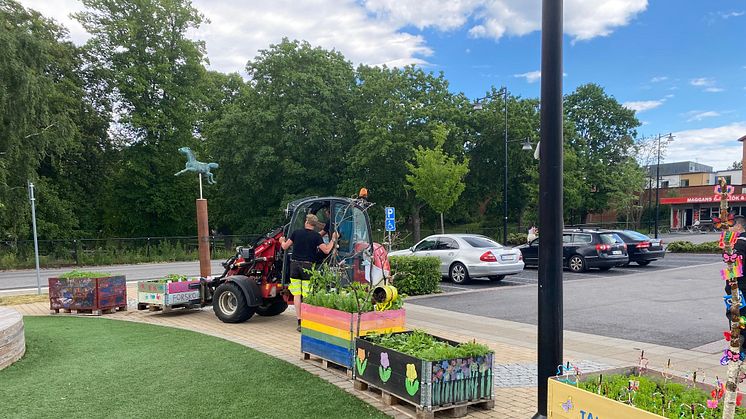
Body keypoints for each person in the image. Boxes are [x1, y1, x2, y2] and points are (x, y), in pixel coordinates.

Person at [279, 214, 338, 331]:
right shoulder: (316, 236)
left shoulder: (296, 233)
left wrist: (282, 240)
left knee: (296, 295)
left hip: (294, 266)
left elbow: (285, 247)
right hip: (307, 267)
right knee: (306, 294)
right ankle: (307, 320)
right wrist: (333, 240)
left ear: (306, 222)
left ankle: (299, 321)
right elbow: (326, 250)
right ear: (314, 225)